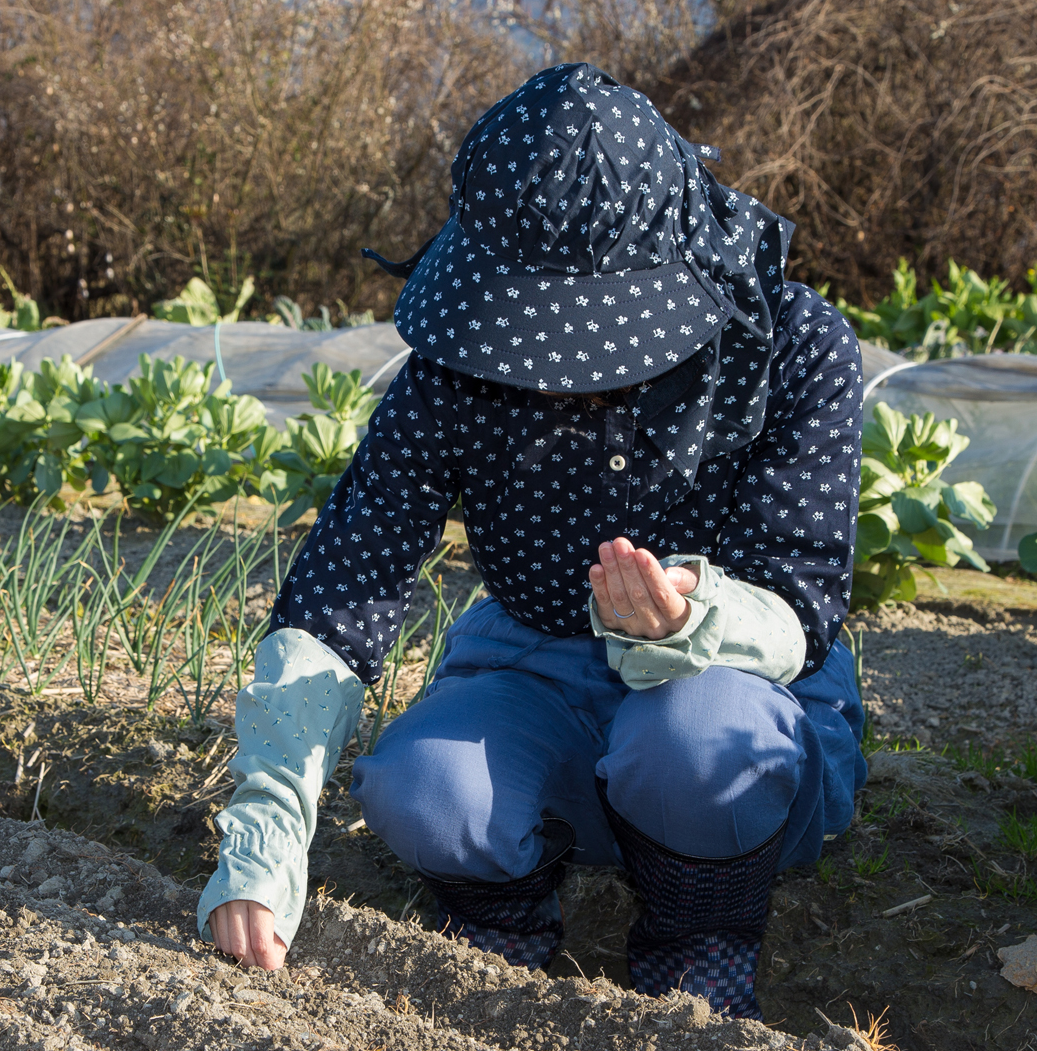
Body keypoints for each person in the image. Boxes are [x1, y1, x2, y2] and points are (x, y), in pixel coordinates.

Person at [197, 62, 867, 1020]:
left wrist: (694, 619)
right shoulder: (455, 367)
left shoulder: (792, 344)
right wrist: (264, 833)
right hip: (534, 667)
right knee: (426, 786)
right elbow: (347, 582)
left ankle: (699, 936)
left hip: (742, 694)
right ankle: (505, 920)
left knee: (695, 742)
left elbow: (801, 599)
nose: (559, 368)